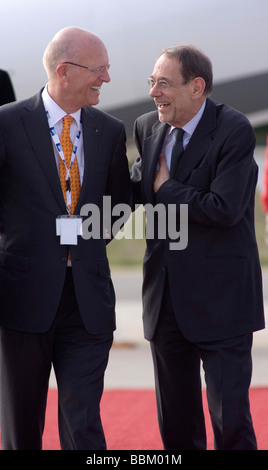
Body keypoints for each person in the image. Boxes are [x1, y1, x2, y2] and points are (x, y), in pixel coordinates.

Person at [0, 26, 131, 450]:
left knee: (83, 421)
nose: (106, 79)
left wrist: (84, 243)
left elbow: (118, 206)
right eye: (99, 69)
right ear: (64, 71)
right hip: (21, 298)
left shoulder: (109, 131)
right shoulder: (7, 124)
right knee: (21, 426)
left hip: (87, 301)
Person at [131, 44, 265, 450]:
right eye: (152, 82)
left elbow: (224, 209)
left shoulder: (233, 129)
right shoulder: (147, 127)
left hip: (222, 302)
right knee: (176, 423)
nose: (154, 92)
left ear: (197, 87)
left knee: (231, 422)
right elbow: (132, 189)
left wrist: (166, 188)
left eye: (164, 83)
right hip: (166, 301)